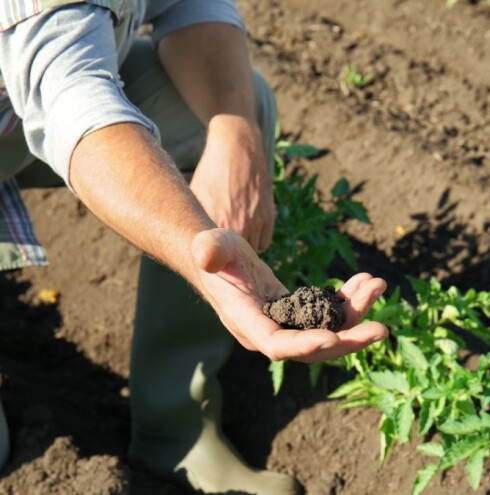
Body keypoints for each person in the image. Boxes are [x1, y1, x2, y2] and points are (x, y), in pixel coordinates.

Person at [0, 1, 389, 493]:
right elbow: (74, 108)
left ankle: (176, 431)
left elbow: (190, 4)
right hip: (51, 100)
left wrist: (236, 133)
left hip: (13, 111)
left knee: (227, 112)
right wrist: (196, 248)